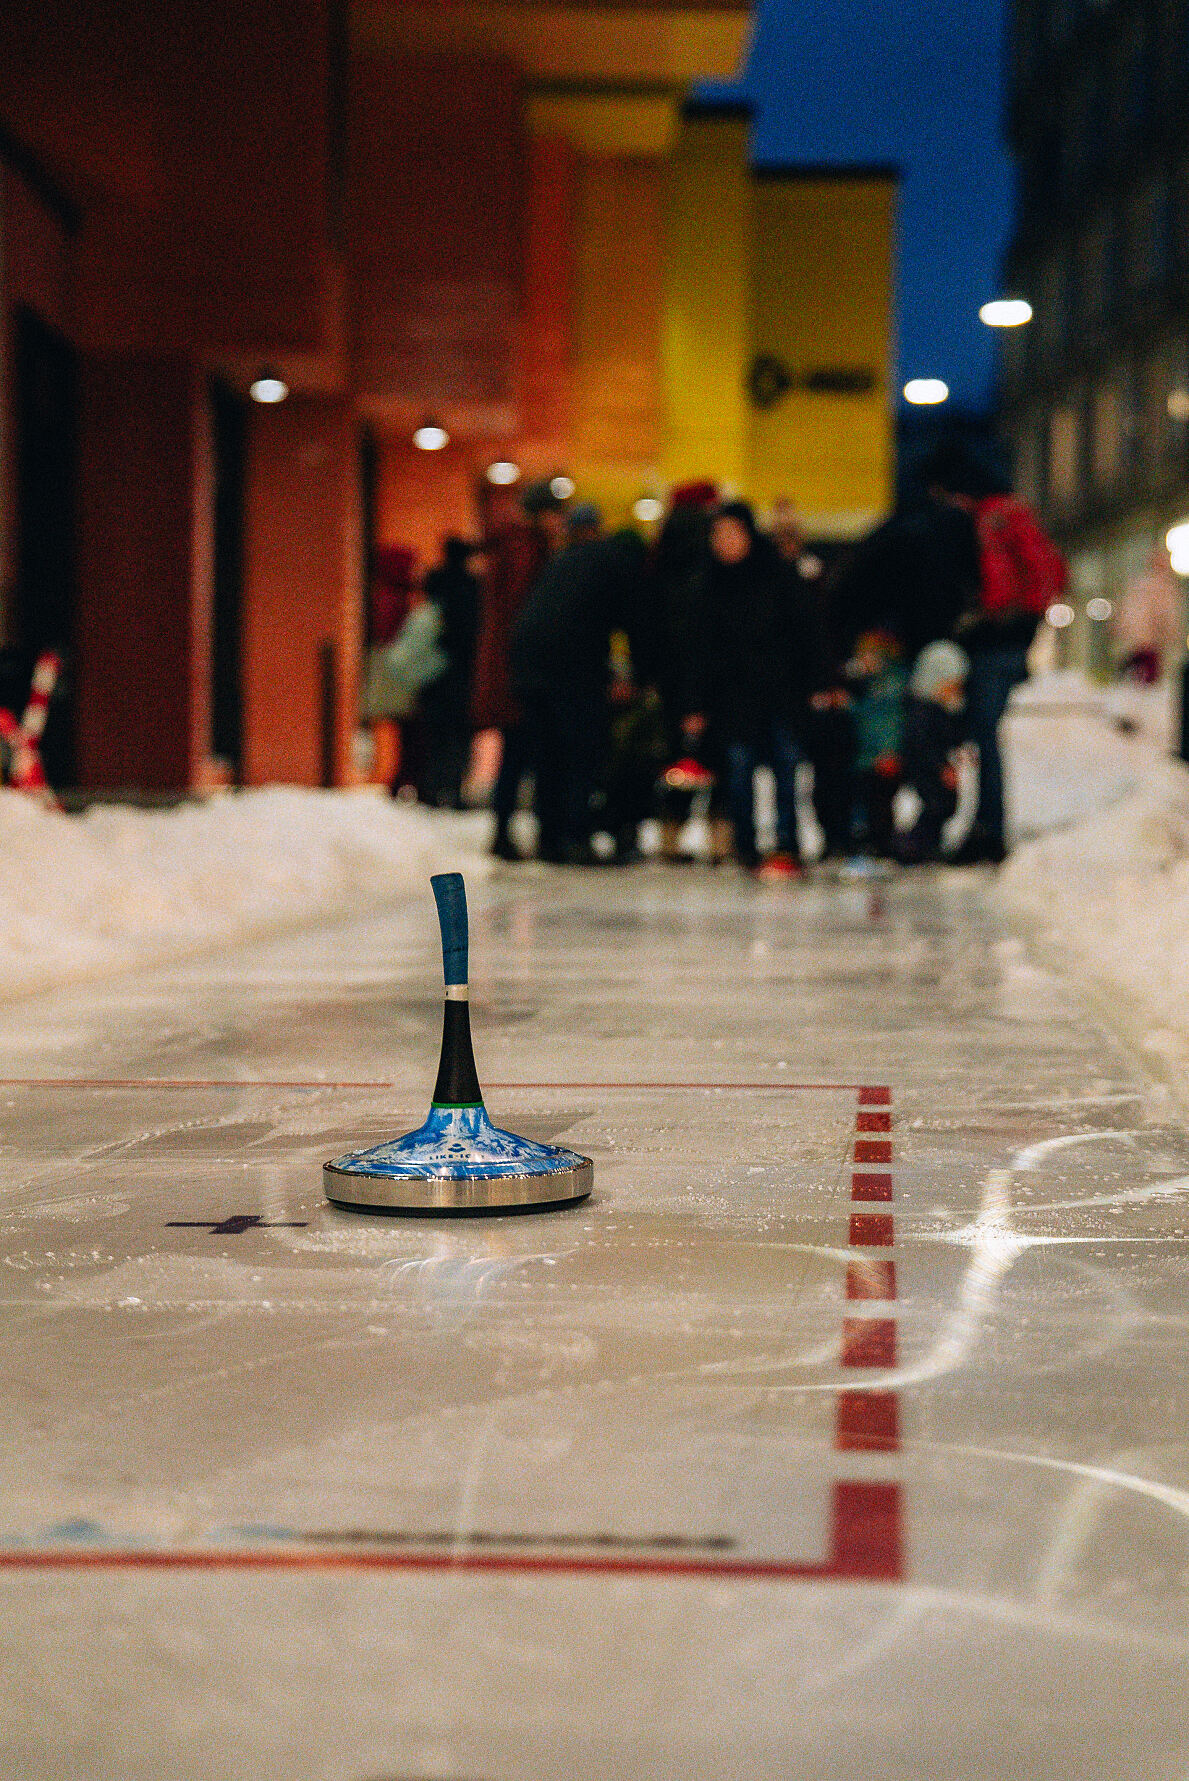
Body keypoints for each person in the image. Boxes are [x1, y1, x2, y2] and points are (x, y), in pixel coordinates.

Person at [923, 441, 1066, 864]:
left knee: (984, 734)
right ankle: (984, 825)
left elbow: (1045, 571)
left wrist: (1013, 618)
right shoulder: (993, 514)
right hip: (996, 639)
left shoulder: (1000, 514)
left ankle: (989, 829)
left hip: (999, 641)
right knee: (981, 734)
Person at [682, 500, 813, 879]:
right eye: (718, 535)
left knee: (787, 769)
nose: (724, 543)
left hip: (780, 693)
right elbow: (697, 650)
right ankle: (747, 845)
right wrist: (695, 702)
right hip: (734, 698)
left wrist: (815, 684)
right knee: (739, 772)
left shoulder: (778, 577)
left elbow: (806, 635)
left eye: (731, 534)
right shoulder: (707, 585)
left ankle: (787, 843)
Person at [510, 528, 648, 863]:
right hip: (570, 672)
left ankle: (550, 838)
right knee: (579, 754)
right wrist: (635, 675)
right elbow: (635, 625)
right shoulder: (620, 567)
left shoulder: (573, 558)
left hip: (530, 665)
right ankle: (574, 838)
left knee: (548, 756)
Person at [472, 480, 568, 860]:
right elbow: (525, 612)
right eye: (556, 515)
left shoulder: (511, 546)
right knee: (529, 756)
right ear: (543, 515)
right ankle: (517, 835)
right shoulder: (527, 550)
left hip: (507, 669)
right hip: (522, 671)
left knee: (515, 755)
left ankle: (503, 832)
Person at [416, 537, 482, 809]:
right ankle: (453, 789)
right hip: (461, 670)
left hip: (432, 671)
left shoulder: (434, 585)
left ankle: (431, 787)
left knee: (436, 734)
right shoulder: (471, 588)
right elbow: (471, 632)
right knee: (459, 734)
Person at [896, 639, 970, 863]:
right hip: (926, 767)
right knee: (938, 804)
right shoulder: (922, 711)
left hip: (934, 765)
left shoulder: (939, 709)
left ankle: (925, 845)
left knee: (944, 804)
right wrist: (940, 766)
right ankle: (913, 846)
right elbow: (921, 743)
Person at [845, 629, 908, 857]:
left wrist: (890, 752)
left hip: (883, 758)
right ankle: (863, 840)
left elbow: (891, 725)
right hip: (862, 758)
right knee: (861, 801)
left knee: (880, 803)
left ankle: (882, 842)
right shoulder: (863, 687)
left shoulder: (894, 686)